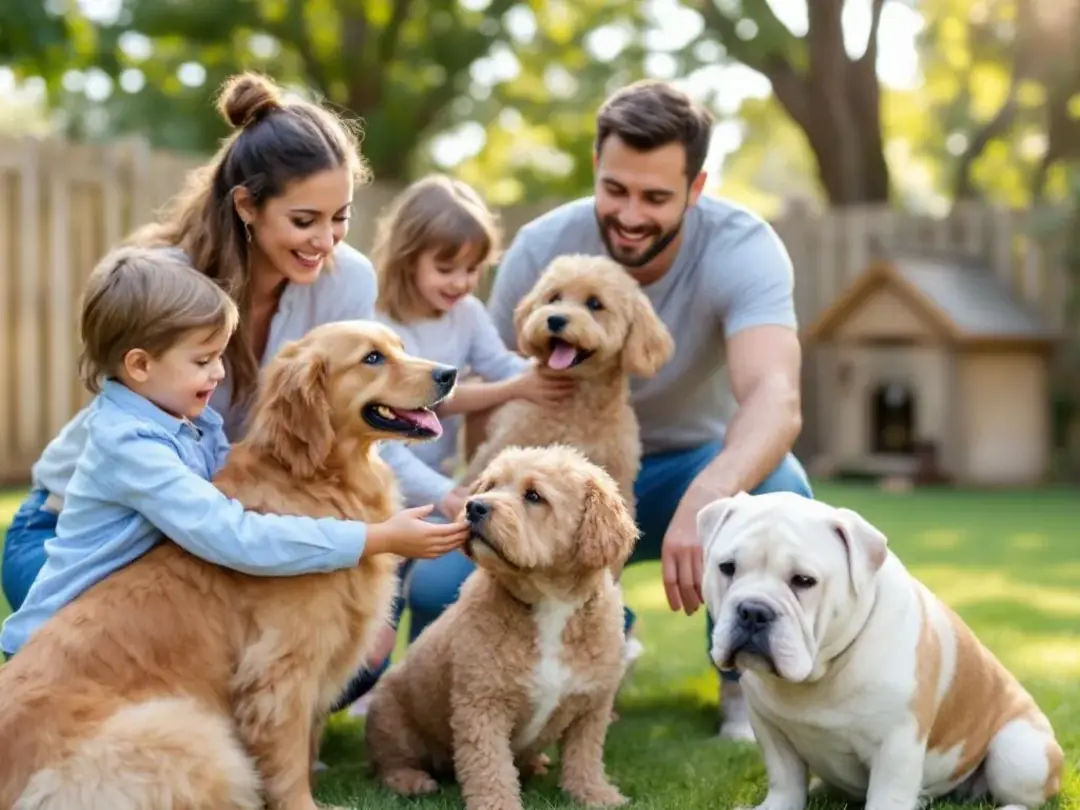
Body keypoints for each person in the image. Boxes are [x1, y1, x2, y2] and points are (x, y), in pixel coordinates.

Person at [0, 72, 461, 695]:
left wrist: (446, 497)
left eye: (341, 218)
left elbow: (351, 424)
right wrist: (366, 542)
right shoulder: (160, 283)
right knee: (185, 657)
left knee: (345, 662)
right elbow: (220, 526)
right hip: (87, 540)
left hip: (222, 522)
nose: (325, 242)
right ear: (246, 205)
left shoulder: (345, 278)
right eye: (304, 220)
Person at [404, 79, 813, 742]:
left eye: (656, 197)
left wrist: (708, 495)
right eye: (615, 189)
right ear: (596, 167)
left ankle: (747, 688)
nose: (630, 215)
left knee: (779, 492)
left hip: (686, 467)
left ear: (696, 187)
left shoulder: (742, 247)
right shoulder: (543, 247)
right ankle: (439, 697)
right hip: (547, 484)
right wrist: (476, 496)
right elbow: (490, 393)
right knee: (432, 588)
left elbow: (775, 394)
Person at [1, 247, 465, 658]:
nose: (219, 374)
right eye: (203, 361)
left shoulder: (190, 420)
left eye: (220, 356)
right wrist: (374, 539)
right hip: (70, 645)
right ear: (139, 365)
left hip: (134, 616)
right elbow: (230, 533)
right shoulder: (128, 444)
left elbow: (239, 486)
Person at [370, 174, 575, 529]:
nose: (461, 282)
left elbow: (498, 363)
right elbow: (430, 400)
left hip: (438, 477)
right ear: (407, 258)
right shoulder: (383, 325)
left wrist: (541, 374)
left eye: (472, 269)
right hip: (385, 475)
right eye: (445, 269)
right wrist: (514, 388)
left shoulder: (467, 312)